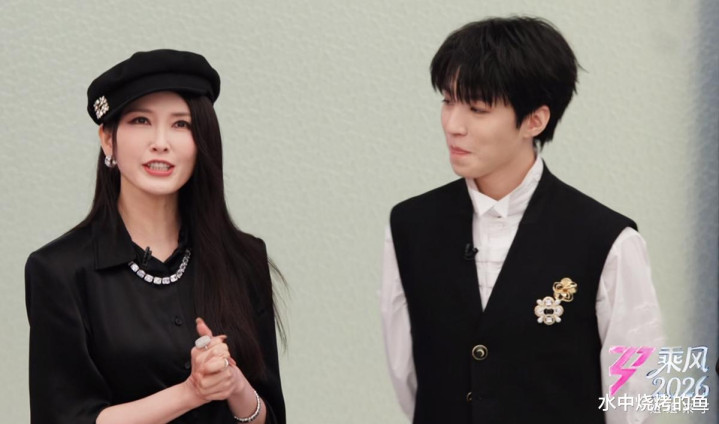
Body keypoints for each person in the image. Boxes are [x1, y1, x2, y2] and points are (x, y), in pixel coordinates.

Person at [380, 17, 663, 423]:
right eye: (447, 101)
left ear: (535, 120)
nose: (453, 125)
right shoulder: (410, 226)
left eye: (477, 109)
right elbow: (407, 376)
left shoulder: (608, 240)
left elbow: (637, 398)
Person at [25, 49, 285, 424]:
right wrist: (191, 392)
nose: (160, 142)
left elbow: (271, 416)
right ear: (108, 139)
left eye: (181, 124)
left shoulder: (244, 259)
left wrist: (235, 385)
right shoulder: (58, 270)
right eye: (141, 120)